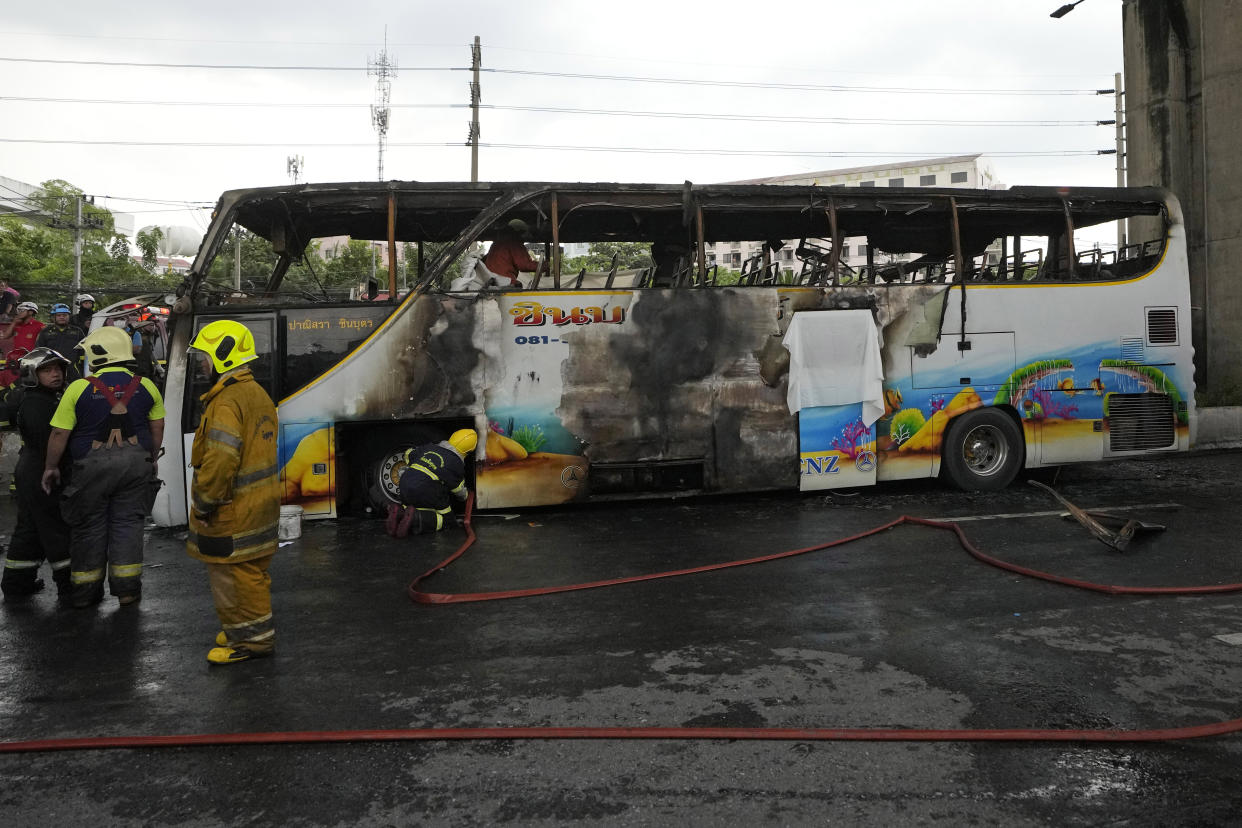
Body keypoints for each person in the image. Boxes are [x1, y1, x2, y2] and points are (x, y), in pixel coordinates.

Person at [42, 326, 165, 608]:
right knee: (128, 526)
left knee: (89, 527)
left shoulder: (78, 388)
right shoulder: (146, 385)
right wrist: (152, 457)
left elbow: (59, 434)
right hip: (136, 467)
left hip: (90, 470)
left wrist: (51, 467)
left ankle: (86, 594)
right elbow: (157, 426)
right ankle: (127, 591)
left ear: (97, 355)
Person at [185, 320, 281, 665]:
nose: (202, 365)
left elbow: (221, 460)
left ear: (223, 356)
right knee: (253, 572)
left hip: (232, 510)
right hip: (259, 506)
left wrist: (204, 501)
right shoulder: (255, 393)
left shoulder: (226, 401)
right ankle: (243, 628)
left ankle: (251, 643)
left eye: (205, 357)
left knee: (233, 577)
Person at [0, 348, 73, 603]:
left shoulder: (40, 398)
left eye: (58, 369)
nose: (55, 374)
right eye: (47, 370)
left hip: (32, 468)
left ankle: (16, 583)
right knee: (56, 528)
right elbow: (50, 442)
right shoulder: (39, 403)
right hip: (42, 470)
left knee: (30, 529)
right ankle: (69, 586)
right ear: (32, 373)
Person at [385, 428, 476, 538]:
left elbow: (408, 453)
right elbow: (458, 490)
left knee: (415, 504)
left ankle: (400, 513)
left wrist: (415, 465)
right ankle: (414, 519)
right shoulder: (457, 465)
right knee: (448, 520)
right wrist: (466, 496)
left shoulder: (430, 447)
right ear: (468, 452)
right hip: (426, 490)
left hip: (405, 482)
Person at [482, 219, 540, 288]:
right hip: (504, 281)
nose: (526, 237)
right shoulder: (515, 243)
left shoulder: (496, 243)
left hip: (490, 282)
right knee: (518, 286)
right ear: (520, 232)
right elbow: (524, 265)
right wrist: (543, 265)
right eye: (525, 233)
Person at [0, 302, 45, 387]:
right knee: (12, 384)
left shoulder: (39, 325)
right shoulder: (16, 325)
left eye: (22, 310)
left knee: (29, 384)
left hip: (31, 361)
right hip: (15, 360)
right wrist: (14, 322)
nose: (19, 312)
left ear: (31, 312)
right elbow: (5, 336)